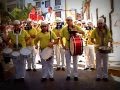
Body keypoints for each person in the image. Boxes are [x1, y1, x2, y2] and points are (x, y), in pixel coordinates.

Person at [61, 16, 84, 81]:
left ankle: (75, 75)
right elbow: (61, 37)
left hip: (75, 46)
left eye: (69, 20)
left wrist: (77, 32)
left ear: (72, 21)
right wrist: (63, 45)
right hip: (67, 47)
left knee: (75, 62)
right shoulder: (64, 29)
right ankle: (68, 75)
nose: (68, 21)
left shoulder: (76, 27)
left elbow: (83, 32)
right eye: (67, 20)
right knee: (68, 62)